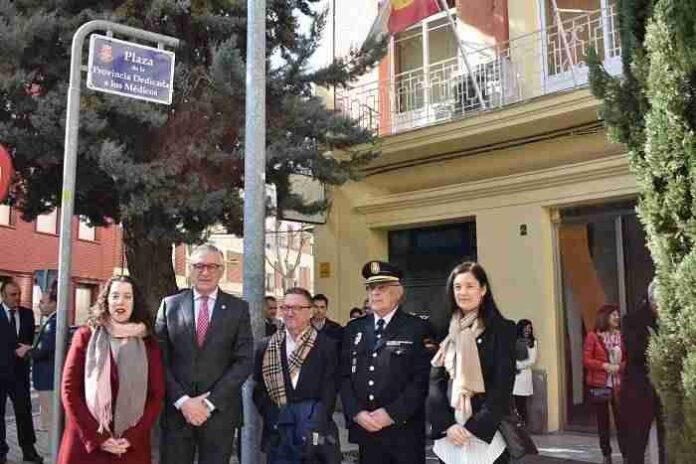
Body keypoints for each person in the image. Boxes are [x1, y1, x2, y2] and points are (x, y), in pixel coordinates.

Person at [156, 243, 253, 464]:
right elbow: (158, 360)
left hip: (219, 414)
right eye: (199, 266)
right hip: (177, 413)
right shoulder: (170, 306)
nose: (205, 272)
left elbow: (244, 361)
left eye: (212, 266)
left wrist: (209, 403)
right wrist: (183, 401)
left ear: (222, 270)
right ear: (190, 269)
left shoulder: (238, 309)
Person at [57, 275, 165, 464]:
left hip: (129, 448)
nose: (120, 301)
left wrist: (131, 437)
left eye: (127, 296)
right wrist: (99, 437)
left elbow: (156, 396)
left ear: (135, 302)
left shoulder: (148, 344)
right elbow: (69, 391)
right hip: (86, 444)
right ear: (106, 300)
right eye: (115, 296)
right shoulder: (86, 336)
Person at [341, 260, 431, 464]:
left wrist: (391, 414)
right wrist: (356, 413)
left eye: (382, 287)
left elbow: (422, 380)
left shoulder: (417, 328)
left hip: (404, 432)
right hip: (367, 431)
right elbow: (344, 376)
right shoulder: (354, 329)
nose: (375, 293)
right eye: (371, 287)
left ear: (398, 292)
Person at [427, 262, 516, 464]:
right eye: (457, 287)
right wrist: (447, 425)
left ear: (483, 289)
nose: (463, 292)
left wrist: (473, 428)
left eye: (470, 286)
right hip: (449, 438)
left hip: (485, 438)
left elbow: (502, 386)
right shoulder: (443, 329)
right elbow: (434, 382)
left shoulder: (502, 330)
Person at [253, 287, 340, 463]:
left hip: (314, 434)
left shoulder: (327, 346)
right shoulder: (266, 346)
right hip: (278, 434)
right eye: (285, 307)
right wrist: (275, 417)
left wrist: (313, 421)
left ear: (310, 312)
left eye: (297, 308)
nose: (290, 313)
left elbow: (330, 390)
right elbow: (259, 389)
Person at [621, 282, 665, 464]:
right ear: (652, 300)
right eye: (660, 302)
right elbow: (635, 351)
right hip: (640, 389)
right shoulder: (632, 321)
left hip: (665, 390)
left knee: (667, 442)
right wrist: (659, 347)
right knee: (637, 443)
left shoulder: (670, 321)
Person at [0, 280, 43, 464]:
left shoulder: (27, 314)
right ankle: (1, 452)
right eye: (13, 294)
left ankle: (28, 451)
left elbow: (29, 341)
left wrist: (27, 351)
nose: (17, 298)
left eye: (18, 294)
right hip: (0, 373)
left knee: (24, 412)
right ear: (3, 296)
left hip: (19, 374)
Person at [583, 304, 627, 464]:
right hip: (600, 384)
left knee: (622, 420)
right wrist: (604, 366)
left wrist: (619, 367)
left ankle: (626, 454)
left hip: (619, 384)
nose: (617, 317)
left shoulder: (622, 336)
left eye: (617, 315)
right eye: (613, 315)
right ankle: (606, 454)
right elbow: (587, 360)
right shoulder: (593, 336)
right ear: (605, 317)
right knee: (603, 421)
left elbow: (628, 359)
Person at [30, 291, 58, 439]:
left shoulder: (53, 323)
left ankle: (53, 451)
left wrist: (29, 351)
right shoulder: (52, 321)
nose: (39, 305)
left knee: (51, 423)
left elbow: (43, 350)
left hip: (48, 381)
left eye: (42, 302)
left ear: (53, 303)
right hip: (48, 380)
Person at [512, 319, 537, 424]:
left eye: (530, 328)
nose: (528, 330)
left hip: (524, 377)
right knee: (514, 404)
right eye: (526, 328)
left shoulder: (532, 342)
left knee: (522, 403)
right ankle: (516, 426)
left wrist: (517, 365)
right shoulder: (514, 341)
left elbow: (532, 360)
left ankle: (523, 425)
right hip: (513, 377)